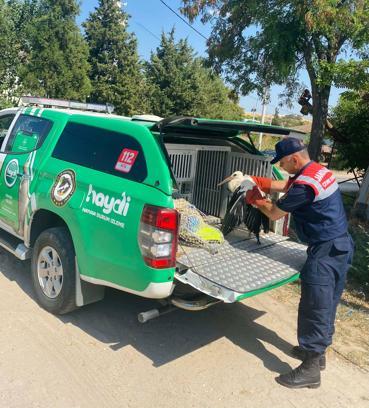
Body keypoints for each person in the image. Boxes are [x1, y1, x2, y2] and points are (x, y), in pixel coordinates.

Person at [246, 137, 354, 389]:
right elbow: (287, 184)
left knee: (314, 306)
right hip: (340, 245)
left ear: (295, 159)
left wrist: (256, 198)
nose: (282, 167)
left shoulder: (305, 185)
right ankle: (318, 357)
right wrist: (258, 181)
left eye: (283, 163)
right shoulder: (317, 170)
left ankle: (310, 369)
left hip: (326, 251)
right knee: (327, 302)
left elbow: (274, 212)